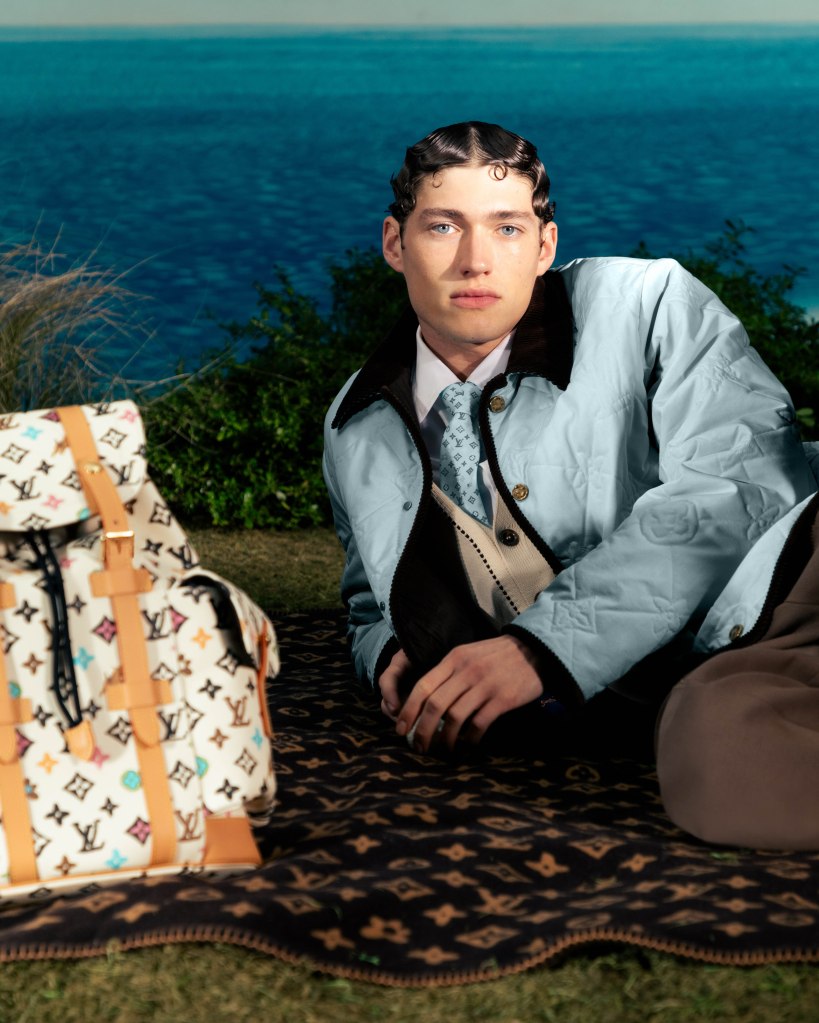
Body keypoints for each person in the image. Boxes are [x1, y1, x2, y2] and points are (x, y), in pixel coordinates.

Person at [322, 120, 819, 848]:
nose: (475, 260)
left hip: (797, 567)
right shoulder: (354, 423)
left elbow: (734, 485)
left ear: (544, 246)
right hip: (718, 669)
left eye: (507, 228)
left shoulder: (646, 302)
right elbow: (366, 599)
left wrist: (541, 648)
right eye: (443, 226)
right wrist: (392, 654)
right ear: (395, 243)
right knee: (721, 761)